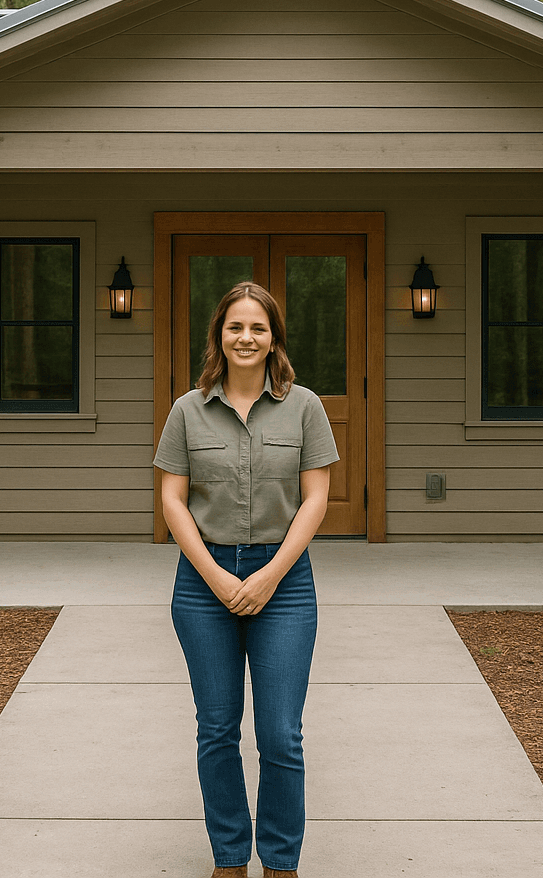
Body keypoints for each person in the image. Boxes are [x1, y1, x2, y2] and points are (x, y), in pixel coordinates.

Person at [153, 280, 339, 878]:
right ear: (219, 336)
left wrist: (264, 579)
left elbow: (316, 499)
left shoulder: (305, 406)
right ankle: (229, 860)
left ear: (273, 338)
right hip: (202, 583)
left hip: (285, 583)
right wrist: (216, 577)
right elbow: (172, 500)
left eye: (258, 327)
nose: (246, 337)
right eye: (236, 326)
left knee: (282, 736)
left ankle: (280, 863)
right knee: (217, 729)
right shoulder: (188, 409)